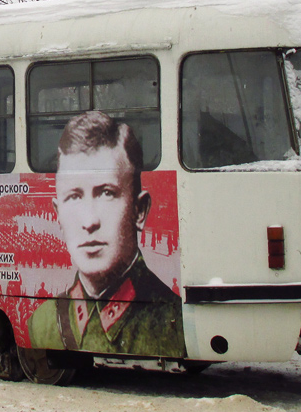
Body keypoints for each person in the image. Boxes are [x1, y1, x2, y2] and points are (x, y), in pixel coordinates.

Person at [28, 111, 185, 357]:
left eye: (107, 193)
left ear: (139, 211)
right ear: (58, 215)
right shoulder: (42, 324)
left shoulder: (175, 321)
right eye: (74, 197)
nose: (90, 221)